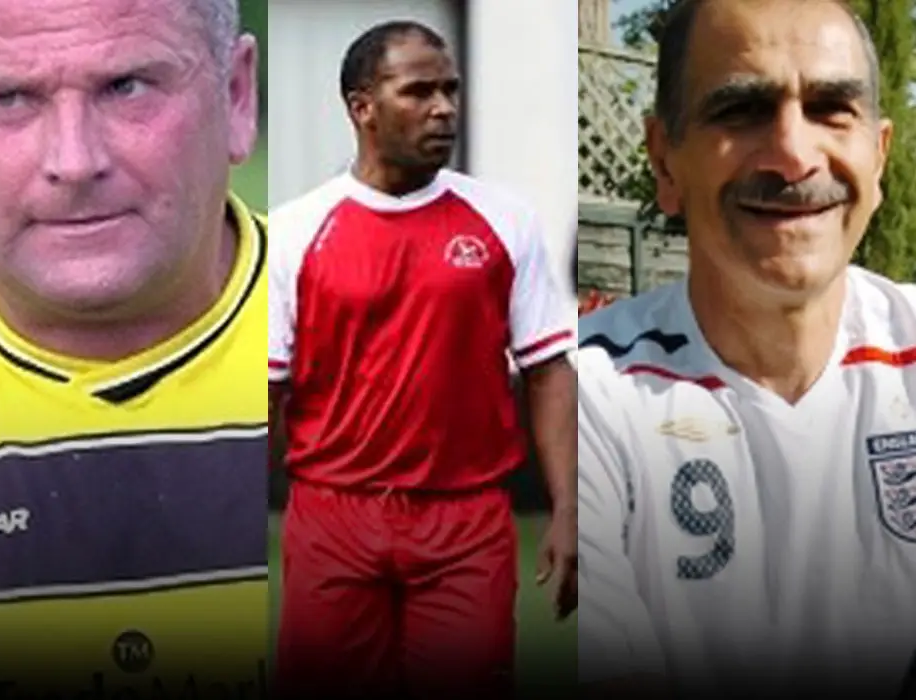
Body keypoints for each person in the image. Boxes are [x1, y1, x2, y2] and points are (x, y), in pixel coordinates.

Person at [0, 0, 268, 697]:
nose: (74, 162)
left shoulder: (372, 353)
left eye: (126, 86)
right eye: (9, 98)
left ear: (236, 95)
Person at [575, 0, 916, 698]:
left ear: (879, 156)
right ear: (664, 161)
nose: (794, 155)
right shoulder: (583, 395)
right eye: (740, 110)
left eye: (831, 109)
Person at [268, 20, 577, 700]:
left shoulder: (505, 220)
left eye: (451, 90)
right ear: (362, 107)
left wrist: (569, 505)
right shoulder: (293, 231)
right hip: (333, 516)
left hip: (466, 522)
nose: (443, 109)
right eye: (418, 92)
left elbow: (549, 368)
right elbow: (267, 393)